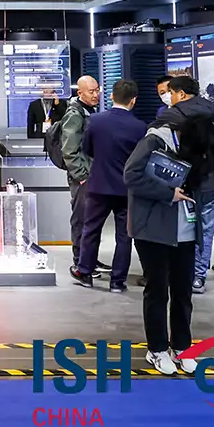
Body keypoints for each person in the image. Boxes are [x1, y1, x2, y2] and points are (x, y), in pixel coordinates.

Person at [125, 100, 214, 375]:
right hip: (152, 230)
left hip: (186, 230)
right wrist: (168, 193)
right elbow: (131, 176)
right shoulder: (154, 141)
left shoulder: (201, 148)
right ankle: (157, 349)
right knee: (157, 291)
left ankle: (182, 346)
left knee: (183, 292)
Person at [155, 75, 214, 294]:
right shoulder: (212, 111)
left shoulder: (172, 114)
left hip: (182, 182)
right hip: (210, 179)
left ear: (181, 94)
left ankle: (181, 274)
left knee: (181, 229)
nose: (168, 97)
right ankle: (198, 276)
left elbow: (154, 142)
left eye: (170, 93)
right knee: (206, 229)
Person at [74, 79, 146, 291]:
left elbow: (87, 149)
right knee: (124, 236)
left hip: (99, 185)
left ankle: (85, 272)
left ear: (112, 96)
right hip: (127, 188)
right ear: (133, 100)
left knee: (91, 229)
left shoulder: (96, 121)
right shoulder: (140, 127)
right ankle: (117, 281)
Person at [46, 76, 100, 265]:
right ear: (80, 93)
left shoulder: (87, 111)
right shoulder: (75, 114)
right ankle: (80, 261)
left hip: (90, 173)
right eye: (91, 91)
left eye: (97, 90)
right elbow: (69, 150)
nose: (96, 94)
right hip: (82, 177)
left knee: (91, 219)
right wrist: (81, 176)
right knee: (81, 219)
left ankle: (90, 259)